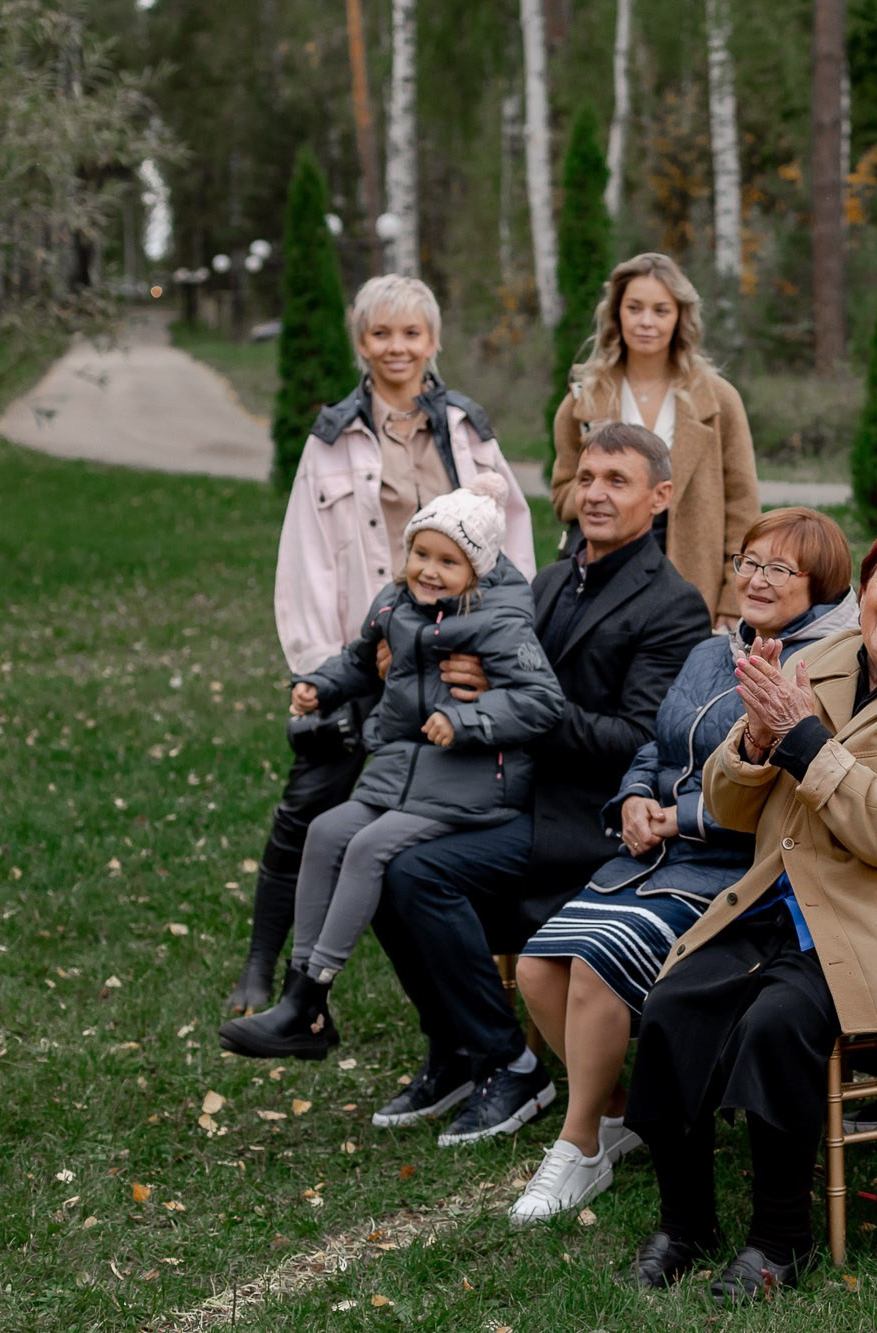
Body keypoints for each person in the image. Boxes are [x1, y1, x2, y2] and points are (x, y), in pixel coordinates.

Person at [623, 523, 877, 1303]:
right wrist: (755, 744)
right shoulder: (812, 663)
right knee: (670, 1004)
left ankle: (780, 1238)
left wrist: (799, 738)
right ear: (863, 594)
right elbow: (729, 809)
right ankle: (686, 1220)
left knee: (777, 1020)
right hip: (791, 894)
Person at [504, 508, 856, 1224]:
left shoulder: (823, 668)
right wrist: (635, 795)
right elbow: (657, 743)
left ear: (820, 583)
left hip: (735, 872)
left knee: (597, 963)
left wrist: (682, 816)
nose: (756, 579)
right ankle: (618, 1110)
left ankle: (580, 1149)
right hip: (653, 851)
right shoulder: (710, 651)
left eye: (779, 568)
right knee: (540, 966)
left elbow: (790, 799)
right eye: (748, 562)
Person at [368, 423, 706, 1148]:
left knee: (418, 873)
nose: (594, 493)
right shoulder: (546, 580)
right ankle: (459, 1049)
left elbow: (634, 739)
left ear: (661, 496)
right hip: (501, 794)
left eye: (617, 480)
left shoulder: (673, 604)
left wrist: (513, 700)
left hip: (586, 820)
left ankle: (510, 1063)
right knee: (373, 856)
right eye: (586, 477)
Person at [228, 274, 534, 1015]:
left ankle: (455, 975)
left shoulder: (466, 428)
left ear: (433, 342)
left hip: (455, 657)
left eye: (411, 334)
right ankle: (266, 966)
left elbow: (512, 539)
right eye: (379, 334)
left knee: (420, 810)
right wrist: (324, 668)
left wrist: (495, 650)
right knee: (312, 805)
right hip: (364, 651)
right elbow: (302, 557)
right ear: (360, 342)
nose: (396, 348)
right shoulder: (333, 437)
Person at [219, 475, 564, 1059]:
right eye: (420, 553)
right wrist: (318, 687)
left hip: (473, 784)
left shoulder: (500, 622)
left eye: (447, 561)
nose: (428, 569)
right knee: (326, 830)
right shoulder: (394, 603)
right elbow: (357, 662)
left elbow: (541, 701)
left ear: (477, 569)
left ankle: (313, 991)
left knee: (368, 846)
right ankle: (303, 1002)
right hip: (400, 774)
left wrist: (469, 721)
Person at [550, 253, 761, 624]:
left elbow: (743, 509)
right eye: (635, 308)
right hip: (603, 576)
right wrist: (607, 489)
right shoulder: (582, 400)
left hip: (692, 575)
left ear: (680, 317)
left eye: (661, 310)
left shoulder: (718, 400)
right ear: (617, 314)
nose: (647, 321)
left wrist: (733, 598)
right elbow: (563, 494)